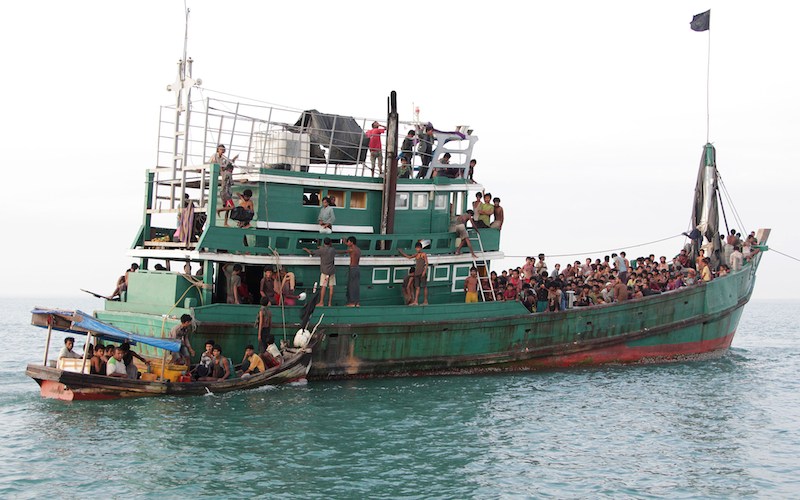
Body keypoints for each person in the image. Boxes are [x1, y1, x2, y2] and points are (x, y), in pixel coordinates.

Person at [303, 237, 336, 307]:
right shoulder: (333, 250)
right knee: (331, 287)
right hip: (332, 271)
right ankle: (329, 303)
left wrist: (306, 249)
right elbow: (329, 248)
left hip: (324, 271)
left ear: (324, 243)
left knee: (323, 286)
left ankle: (321, 302)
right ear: (330, 243)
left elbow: (312, 253)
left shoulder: (322, 250)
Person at [211, 144, 239, 227]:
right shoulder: (228, 173)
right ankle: (219, 210)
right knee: (232, 207)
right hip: (226, 192)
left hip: (223, 191)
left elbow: (227, 164)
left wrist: (234, 159)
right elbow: (231, 182)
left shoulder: (224, 171)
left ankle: (225, 222)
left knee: (227, 208)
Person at [343, 236, 361, 307]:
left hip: (353, 268)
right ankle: (356, 302)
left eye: (348, 241)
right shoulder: (358, 249)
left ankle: (352, 302)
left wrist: (330, 250)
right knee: (356, 286)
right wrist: (345, 243)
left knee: (351, 286)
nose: (348, 243)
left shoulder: (352, 250)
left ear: (352, 242)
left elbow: (344, 251)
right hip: (357, 268)